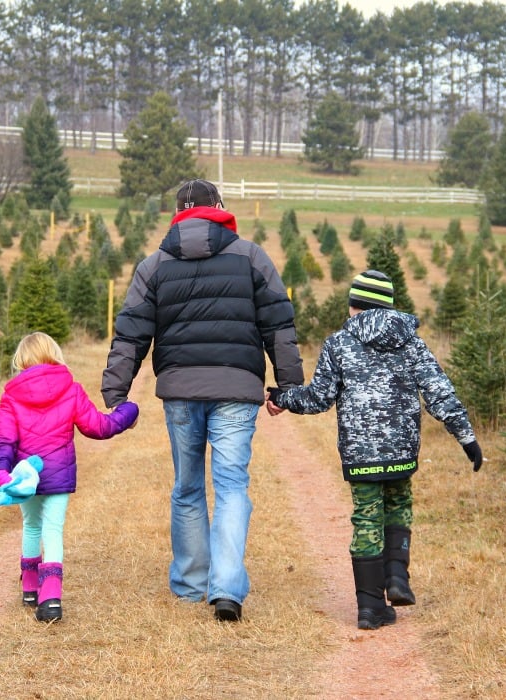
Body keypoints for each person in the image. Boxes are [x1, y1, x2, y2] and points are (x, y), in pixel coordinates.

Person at [101, 178, 304, 622]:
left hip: (180, 391)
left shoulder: (153, 266)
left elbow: (131, 331)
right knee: (232, 487)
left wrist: (116, 391)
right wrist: (287, 387)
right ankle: (227, 587)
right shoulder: (252, 257)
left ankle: (192, 583)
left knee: (187, 486)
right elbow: (279, 326)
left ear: (177, 214)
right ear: (220, 208)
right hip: (236, 388)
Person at [267, 270, 482, 630]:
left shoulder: (338, 343)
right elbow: (438, 391)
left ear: (353, 305)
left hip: (360, 453)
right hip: (401, 451)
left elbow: (320, 398)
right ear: (389, 305)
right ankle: (397, 576)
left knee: (367, 517)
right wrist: (467, 438)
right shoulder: (410, 342)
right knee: (398, 505)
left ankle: (370, 608)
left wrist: (282, 397)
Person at [0, 331, 139, 622]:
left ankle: (31, 589)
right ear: (54, 354)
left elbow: (4, 441)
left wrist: (0, 472)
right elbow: (98, 426)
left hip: (27, 478)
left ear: (21, 360)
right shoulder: (70, 388)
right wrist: (128, 411)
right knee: (52, 530)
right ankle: (52, 599)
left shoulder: (11, 396)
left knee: (31, 526)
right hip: (58, 475)